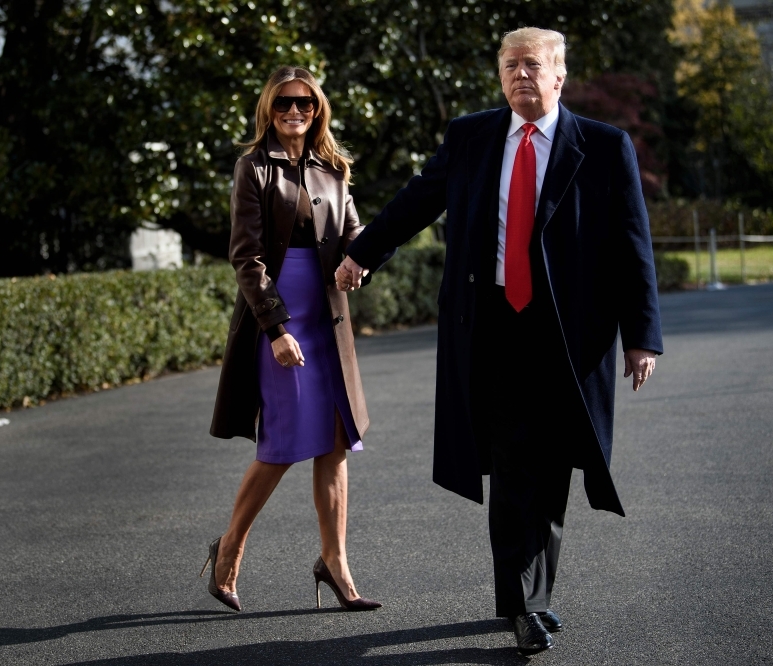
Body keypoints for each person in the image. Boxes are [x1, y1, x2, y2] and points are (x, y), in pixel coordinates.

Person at [336, 27, 663, 653]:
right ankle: (522, 604)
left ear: (559, 75)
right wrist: (362, 253)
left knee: (555, 466)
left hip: (572, 336)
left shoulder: (601, 145)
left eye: (533, 65)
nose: (521, 76)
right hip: (494, 326)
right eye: (510, 65)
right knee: (515, 461)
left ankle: (533, 596)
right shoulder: (471, 137)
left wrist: (641, 335)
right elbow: (417, 201)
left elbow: (632, 244)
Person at [205, 66, 382, 614]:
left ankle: (335, 562)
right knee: (281, 446)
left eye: (305, 104)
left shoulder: (333, 168)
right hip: (279, 319)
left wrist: (362, 262)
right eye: (284, 103)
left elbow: (355, 234)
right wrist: (276, 328)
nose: (294, 113)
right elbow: (246, 258)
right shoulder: (252, 168)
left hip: (329, 319)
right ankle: (230, 548)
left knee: (335, 443)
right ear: (269, 108)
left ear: (317, 109)